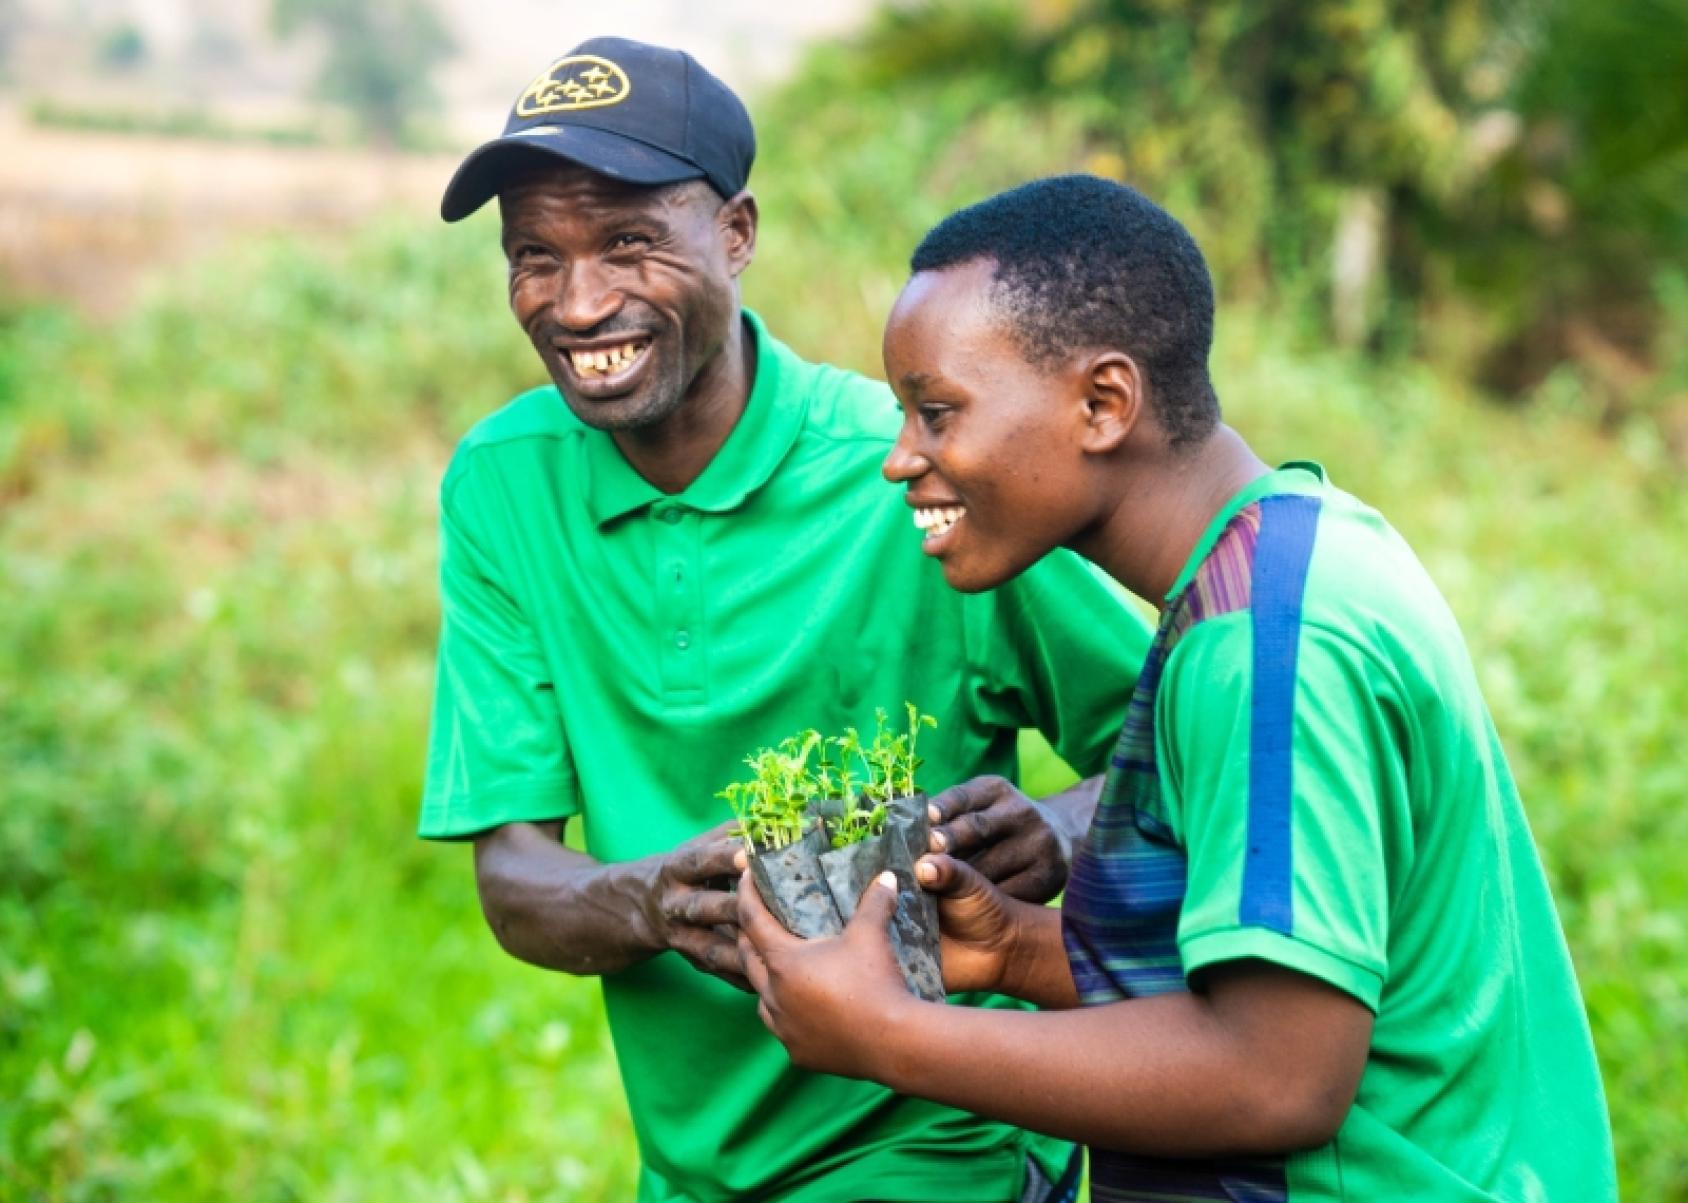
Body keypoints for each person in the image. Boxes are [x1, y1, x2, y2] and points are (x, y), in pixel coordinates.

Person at [737, 174, 1618, 1201]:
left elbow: (1275, 1077)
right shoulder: (1283, 554)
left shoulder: (1266, 647)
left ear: (1102, 404)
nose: (900, 460)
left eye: (936, 412)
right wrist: (1018, 954)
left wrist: (888, 1036)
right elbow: (1287, 965)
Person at [418, 39, 1153, 1203]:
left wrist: (1060, 829)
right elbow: (514, 877)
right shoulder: (503, 487)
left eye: (627, 242)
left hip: (941, 1149)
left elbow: (1190, 737)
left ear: (737, 235)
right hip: (691, 1170)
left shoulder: (904, 468)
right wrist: (655, 898)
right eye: (533, 256)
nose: (579, 302)